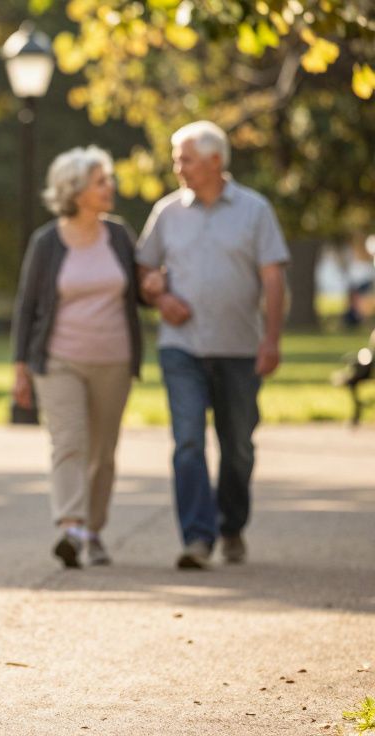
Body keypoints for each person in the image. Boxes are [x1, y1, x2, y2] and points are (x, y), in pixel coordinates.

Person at [136, 120, 290, 570]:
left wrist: (272, 339)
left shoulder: (255, 210)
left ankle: (232, 526)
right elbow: (144, 272)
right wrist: (159, 296)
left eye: (184, 158)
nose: (176, 167)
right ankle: (197, 538)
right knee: (187, 441)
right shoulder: (167, 212)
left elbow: (273, 277)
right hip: (181, 347)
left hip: (240, 348)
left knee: (238, 446)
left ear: (215, 161)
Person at [11, 146, 144, 569]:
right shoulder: (47, 242)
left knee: (103, 452)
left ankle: (94, 530)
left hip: (115, 359)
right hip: (59, 359)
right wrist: (20, 368)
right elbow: (27, 305)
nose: (110, 188)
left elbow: (141, 290)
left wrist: (159, 286)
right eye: (101, 181)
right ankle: (71, 526)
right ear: (76, 190)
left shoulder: (120, 236)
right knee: (69, 443)